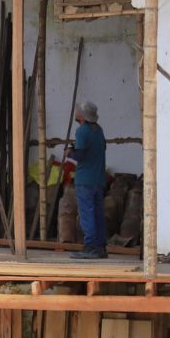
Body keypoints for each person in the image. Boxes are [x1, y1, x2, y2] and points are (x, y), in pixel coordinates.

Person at [67, 101, 107, 259]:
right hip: (98, 178)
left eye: (78, 111)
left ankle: (90, 247)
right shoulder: (99, 130)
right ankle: (101, 247)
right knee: (98, 214)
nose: (76, 113)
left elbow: (81, 155)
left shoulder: (82, 131)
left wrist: (70, 153)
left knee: (87, 215)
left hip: (85, 180)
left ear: (82, 115)